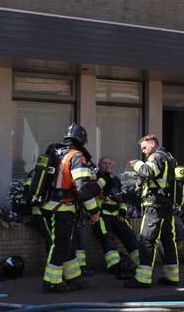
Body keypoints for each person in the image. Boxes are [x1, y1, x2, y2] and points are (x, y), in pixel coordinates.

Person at [41, 124, 101, 292]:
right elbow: (83, 189)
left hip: (51, 206)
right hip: (62, 208)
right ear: (82, 140)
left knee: (67, 244)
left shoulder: (57, 153)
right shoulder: (76, 156)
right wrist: (94, 212)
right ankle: (51, 282)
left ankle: (74, 278)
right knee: (60, 245)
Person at [125, 134, 179, 288]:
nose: (143, 151)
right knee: (168, 240)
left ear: (153, 143)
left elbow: (148, 172)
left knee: (147, 241)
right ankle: (172, 277)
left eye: (144, 147)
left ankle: (142, 279)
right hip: (167, 206)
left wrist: (136, 164)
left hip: (154, 206)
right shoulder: (170, 158)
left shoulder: (155, 157)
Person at [93, 156, 139, 278]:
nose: (107, 165)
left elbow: (122, 199)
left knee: (130, 236)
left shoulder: (116, 180)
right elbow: (92, 197)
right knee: (107, 237)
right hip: (102, 215)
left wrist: (122, 212)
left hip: (117, 215)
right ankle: (114, 265)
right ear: (99, 165)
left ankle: (140, 263)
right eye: (104, 163)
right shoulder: (95, 179)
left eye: (109, 163)